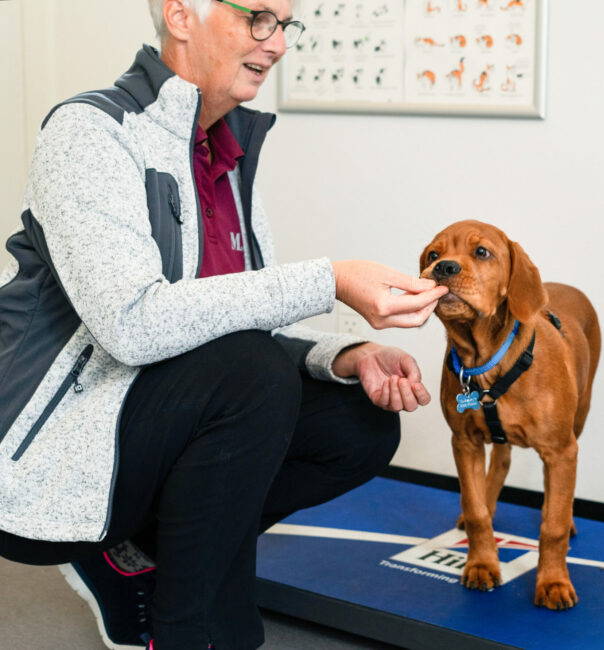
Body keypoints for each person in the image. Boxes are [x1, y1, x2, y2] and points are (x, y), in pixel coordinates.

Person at [0, 1, 447, 648]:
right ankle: (204, 634)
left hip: (153, 428)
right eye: (259, 17)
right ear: (181, 14)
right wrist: (331, 279)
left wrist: (341, 357)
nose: (278, 44)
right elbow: (134, 324)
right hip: (54, 460)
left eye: (285, 24)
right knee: (251, 377)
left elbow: (226, 330)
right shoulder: (90, 132)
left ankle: (141, 554)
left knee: (359, 421)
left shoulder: (225, 153)